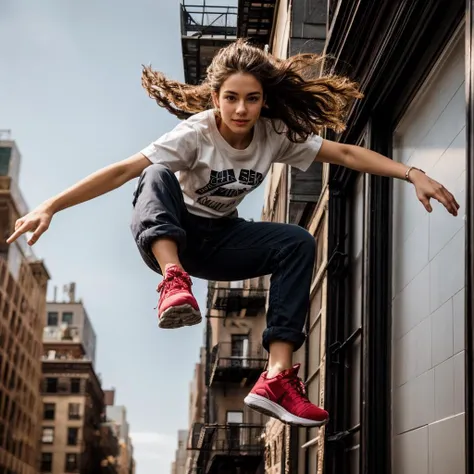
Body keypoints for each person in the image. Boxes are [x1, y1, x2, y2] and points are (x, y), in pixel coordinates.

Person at [7, 39, 459, 427]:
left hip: (222, 240)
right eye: (231, 98)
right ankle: (173, 282)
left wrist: (410, 171)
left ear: (264, 100)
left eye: (253, 99)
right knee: (156, 173)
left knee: (296, 242)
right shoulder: (194, 134)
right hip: (174, 236)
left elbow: (343, 153)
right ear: (216, 98)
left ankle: (278, 377)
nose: (241, 110)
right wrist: (52, 205)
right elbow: (125, 170)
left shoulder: (273, 134)